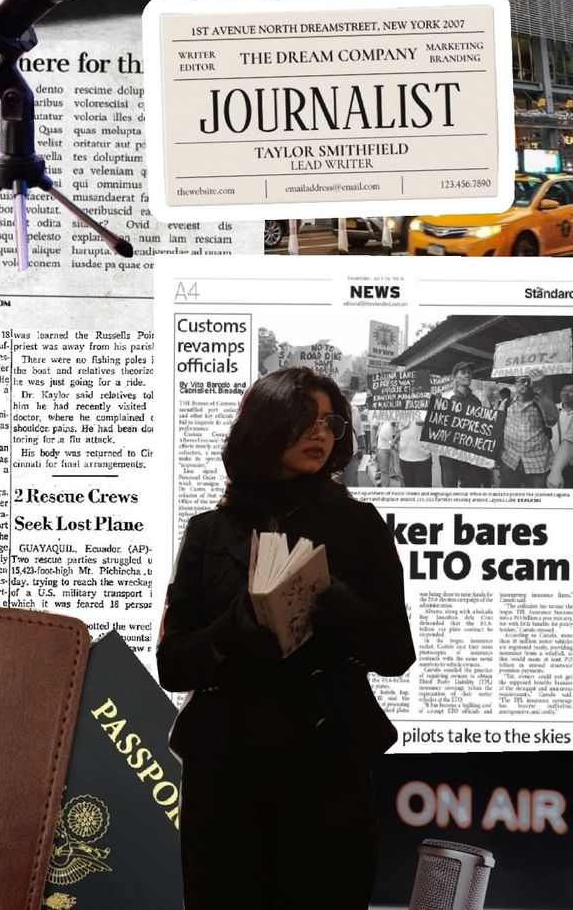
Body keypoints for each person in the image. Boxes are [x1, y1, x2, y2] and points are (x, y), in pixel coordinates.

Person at [157, 367, 415, 910]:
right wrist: (229, 635)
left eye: (330, 422)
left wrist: (347, 612)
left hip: (329, 767)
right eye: (304, 420)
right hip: (227, 773)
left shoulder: (361, 524)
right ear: (265, 427)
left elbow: (396, 653)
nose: (321, 434)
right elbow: (173, 665)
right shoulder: (210, 531)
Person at [439, 362, 492, 489]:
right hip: (450, 451)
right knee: (449, 487)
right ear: (455, 377)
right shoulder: (445, 396)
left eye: (469, 372)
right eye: (463, 372)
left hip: (472, 451)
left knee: (472, 487)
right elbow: (438, 424)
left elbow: (489, 422)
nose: (467, 375)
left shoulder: (480, 396)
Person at [498, 375, 554, 490]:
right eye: (522, 381)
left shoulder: (542, 403)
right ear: (515, 384)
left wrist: (542, 393)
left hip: (538, 463)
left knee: (538, 503)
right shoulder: (506, 404)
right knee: (508, 501)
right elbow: (497, 427)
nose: (526, 384)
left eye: (530, 381)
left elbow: (552, 419)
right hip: (510, 461)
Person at [398, 413, 433, 488]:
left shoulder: (424, 405)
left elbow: (422, 421)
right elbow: (402, 429)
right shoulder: (402, 409)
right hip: (404, 456)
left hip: (421, 457)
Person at [375, 417, 401, 486]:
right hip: (382, 446)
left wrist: (395, 440)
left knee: (399, 472)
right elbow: (377, 428)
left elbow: (402, 430)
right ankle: (385, 490)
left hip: (395, 445)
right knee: (384, 471)